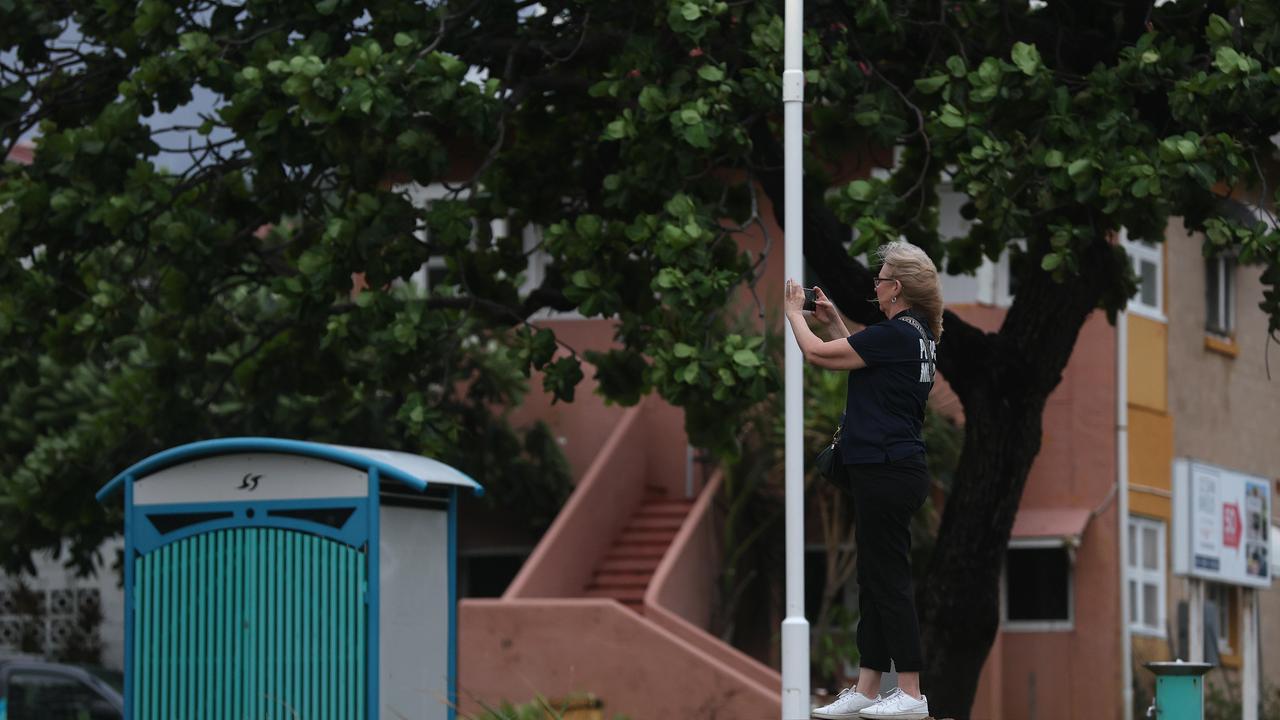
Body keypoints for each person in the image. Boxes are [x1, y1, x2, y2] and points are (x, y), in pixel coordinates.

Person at [783, 240, 943, 720]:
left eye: (880, 278)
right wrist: (833, 322)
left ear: (896, 288)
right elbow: (859, 355)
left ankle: (911, 692)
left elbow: (816, 355)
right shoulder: (914, 336)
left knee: (888, 580)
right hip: (893, 469)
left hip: (885, 468)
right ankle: (868, 686)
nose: (874, 284)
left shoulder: (894, 336)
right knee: (875, 580)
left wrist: (794, 314)